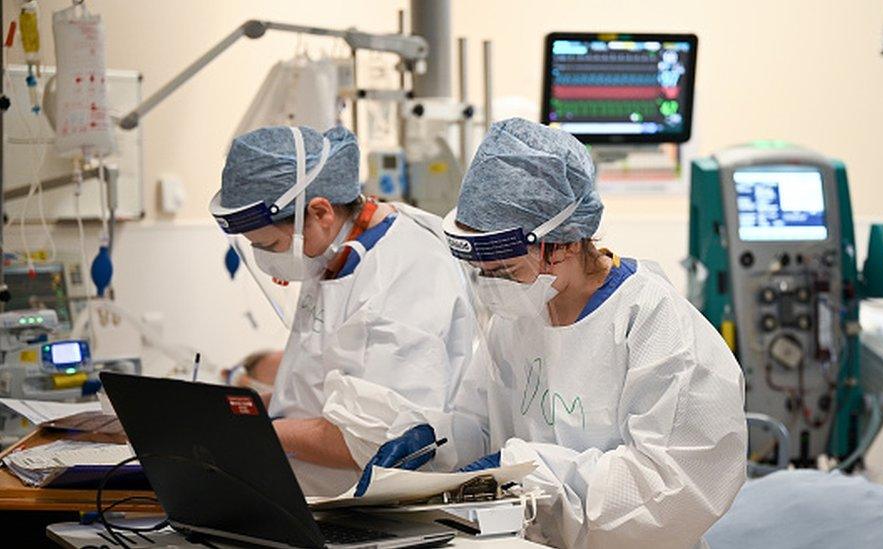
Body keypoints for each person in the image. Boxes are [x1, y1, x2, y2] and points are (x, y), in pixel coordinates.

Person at [355, 118, 748, 548]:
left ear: (561, 245)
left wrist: (530, 472)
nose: (491, 286)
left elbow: (673, 490)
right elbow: (486, 422)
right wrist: (434, 446)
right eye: (481, 273)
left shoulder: (657, 330)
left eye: (503, 270)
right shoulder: (519, 315)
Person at [209, 125, 479, 496]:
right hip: (310, 496)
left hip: (373, 510)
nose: (267, 260)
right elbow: (313, 390)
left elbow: (372, 442)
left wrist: (248, 431)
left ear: (320, 212)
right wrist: (228, 411)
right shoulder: (332, 256)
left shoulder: (407, 272)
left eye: (271, 245)